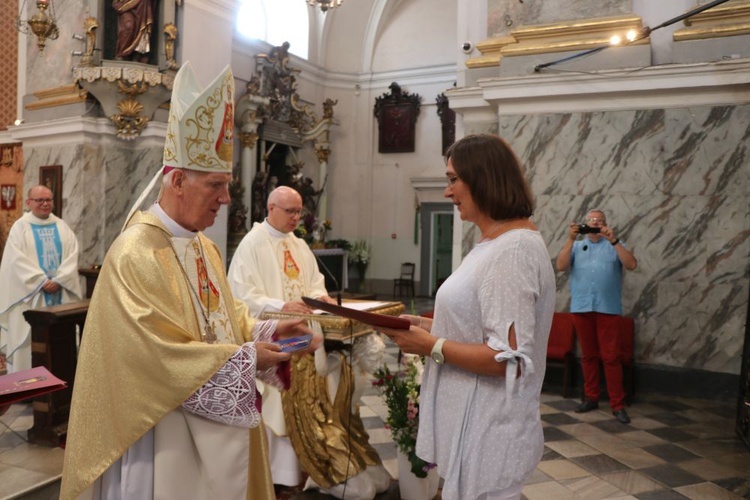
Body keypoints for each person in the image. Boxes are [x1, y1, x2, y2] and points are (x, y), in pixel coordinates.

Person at [60, 63, 320, 500]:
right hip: (163, 438)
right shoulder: (134, 253)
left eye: (227, 186)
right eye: (216, 185)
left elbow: (225, 321)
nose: (225, 199)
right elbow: (152, 358)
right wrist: (243, 359)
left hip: (216, 436)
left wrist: (270, 330)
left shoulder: (204, 247)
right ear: (177, 180)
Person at [379, 134, 556, 500]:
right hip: (476, 427)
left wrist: (431, 346)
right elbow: (478, 323)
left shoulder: (514, 249)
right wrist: (426, 327)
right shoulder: (494, 243)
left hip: (489, 428)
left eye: (453, 179)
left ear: (483, 177)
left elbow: (507, 360)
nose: (448, 192)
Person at [227, 186, 338, 490]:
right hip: (274, 340)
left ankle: (302, 471)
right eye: (290, 211)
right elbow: (240, 297)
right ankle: (276, 477)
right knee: (277, 405)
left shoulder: (299, 245)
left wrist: (321, 297)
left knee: (306, 401)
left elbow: (313, 282)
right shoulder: (252, 245)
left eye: (299, 211)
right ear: (271, 208)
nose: (295, 217)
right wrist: (281, 307)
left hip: (305, 338)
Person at [555, 209, 638, 424]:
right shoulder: (575, 246)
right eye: (591, 221)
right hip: (582, 308)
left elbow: (631, 264)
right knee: (588, 356)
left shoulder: (614, 246)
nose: (595, 225)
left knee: (611, 358)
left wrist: (614, 241)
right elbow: (561, 266)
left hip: (608, 309)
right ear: (584, 225)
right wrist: (570, 238)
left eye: (599, 221)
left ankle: (617, 404)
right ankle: (590, 397)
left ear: (605, 225)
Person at [0, 185, 82, 374]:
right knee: (28, 343)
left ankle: (59, 387)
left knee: (60, 340)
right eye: (40, 200)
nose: (45, 204)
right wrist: (41, 281)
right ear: (29, 202)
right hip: (30, 297)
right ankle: (27, 388)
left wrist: (60, 279)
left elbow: (72, 256)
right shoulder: (20, 227)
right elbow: (15, 261)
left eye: (49, 200)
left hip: (60, 294)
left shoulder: (62, 226)